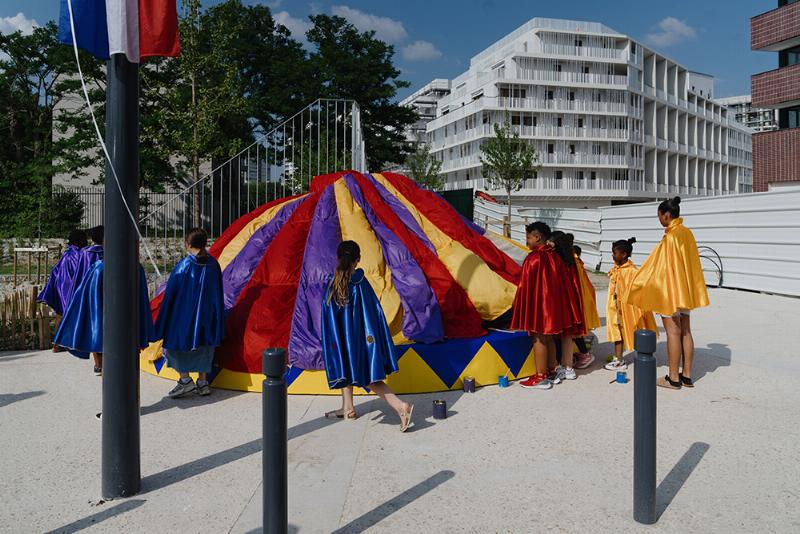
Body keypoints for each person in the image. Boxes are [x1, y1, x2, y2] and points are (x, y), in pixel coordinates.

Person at [321, 241, 414, 432]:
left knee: (364, 375)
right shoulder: (360, 283)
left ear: (338, 258)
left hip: (341, 341)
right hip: (362, 341)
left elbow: (328, 317)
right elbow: (374, 314)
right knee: (357, 370)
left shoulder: (332, 282)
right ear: (358, 260)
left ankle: (400, 406)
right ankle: (348, 409)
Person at [627, 197, 709, 389]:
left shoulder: (670, 237)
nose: (659, 220)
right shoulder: (687, 233)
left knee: (672, 332)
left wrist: (644, 284)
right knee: (686, 330)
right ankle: (687, 375)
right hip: (686, 290)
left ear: (666, 215)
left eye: (659, 216)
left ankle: (673, 378)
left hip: (672, 291)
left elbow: (661, 267)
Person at [510, 223, 583, 390]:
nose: (526, 241)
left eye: (528, 237)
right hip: (552, 306)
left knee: (538, 338)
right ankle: (551, 370)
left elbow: (526, 286)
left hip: (539, 306)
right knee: (548, 337)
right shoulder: (555, 256)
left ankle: (541, 376)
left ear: (537, 237)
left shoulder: (534, 258)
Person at [154, 228, 225, 398]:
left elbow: (171, 292)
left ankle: (185, 380)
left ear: (188, 244)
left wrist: (165, 315)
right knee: (204, 345)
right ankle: (202, 382)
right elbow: (218, 291)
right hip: (207, 316)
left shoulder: (184, 265)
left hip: (184, 316)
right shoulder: (213, 264)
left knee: (177, 345)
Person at [53, 257, 155, 372]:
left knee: (96, 329)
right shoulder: (136, 267)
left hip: (102, 310)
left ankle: (99, 364)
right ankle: (120, 364)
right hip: (127, 315)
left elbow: (88, 294)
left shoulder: (97, 266)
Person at [604, 238, 658, 371]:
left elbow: (641, 288)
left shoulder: (632, 271)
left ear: (623, 254)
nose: (612, 255)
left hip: (629, 310)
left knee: (635, 330)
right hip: (616, 309)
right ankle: (618, 359)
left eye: (614, 253)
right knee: (618, 333)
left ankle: (636, 357)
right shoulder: (617, 269)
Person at [37, 229, 88, 351]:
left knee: (61, 315)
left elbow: (55, 271)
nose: (86, 242)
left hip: (61, 288)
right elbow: (82, 273)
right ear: (79, 241)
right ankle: (66, 344)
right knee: (70, 315)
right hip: (70, 289)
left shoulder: (67, 254)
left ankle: (57, 344)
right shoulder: (78, 255)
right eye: (84, 239)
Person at [548, 231, 587, 382]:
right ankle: (568, 368)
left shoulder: (555, 261)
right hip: (571, 304)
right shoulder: (570, 260)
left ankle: (558, 366)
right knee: (568, 336)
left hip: (561, 303)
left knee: (559, 336)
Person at [571, 244, 598, 369]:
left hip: (576, 302)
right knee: (575, 332)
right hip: (580, 301)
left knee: (576, 332)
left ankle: (584, 354)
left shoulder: (574, 264)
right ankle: (581, 353)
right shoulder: (578, 263)